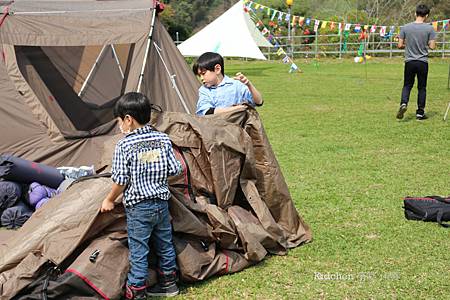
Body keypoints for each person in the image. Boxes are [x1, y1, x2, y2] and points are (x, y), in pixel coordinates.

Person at [100, 92, 182, 299]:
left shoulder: (124, 145)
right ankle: (169, 284)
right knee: (165, 243)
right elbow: (175, 169)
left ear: (128, 119)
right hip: (162, 204)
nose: (119, 125)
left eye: (119, 120)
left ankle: (136, 291)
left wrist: (109, 199)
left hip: (138, 208)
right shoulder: (163, 139)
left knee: (139, 249)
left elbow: (121, 180)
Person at [396, 4, 436, 120]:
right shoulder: (429, 28)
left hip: (409, 61)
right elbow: (432, 46)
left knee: (407, 85)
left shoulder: (405, 27)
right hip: (422, 62)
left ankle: (403, 103)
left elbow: (399, 45)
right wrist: (426, 43)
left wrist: (407, 45)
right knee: (422, 87)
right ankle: (420, 112)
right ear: (427, 15)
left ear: (415, 13)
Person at [192, 52, 263, 115]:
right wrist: (238, 109)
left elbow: (259, 102)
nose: (201, 78)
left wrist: (248, 85)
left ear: (217, 69)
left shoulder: (236, 85)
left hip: (238, 128)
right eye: (199, 75)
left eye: (203, 73)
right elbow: (207, 112)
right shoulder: (204, 90)